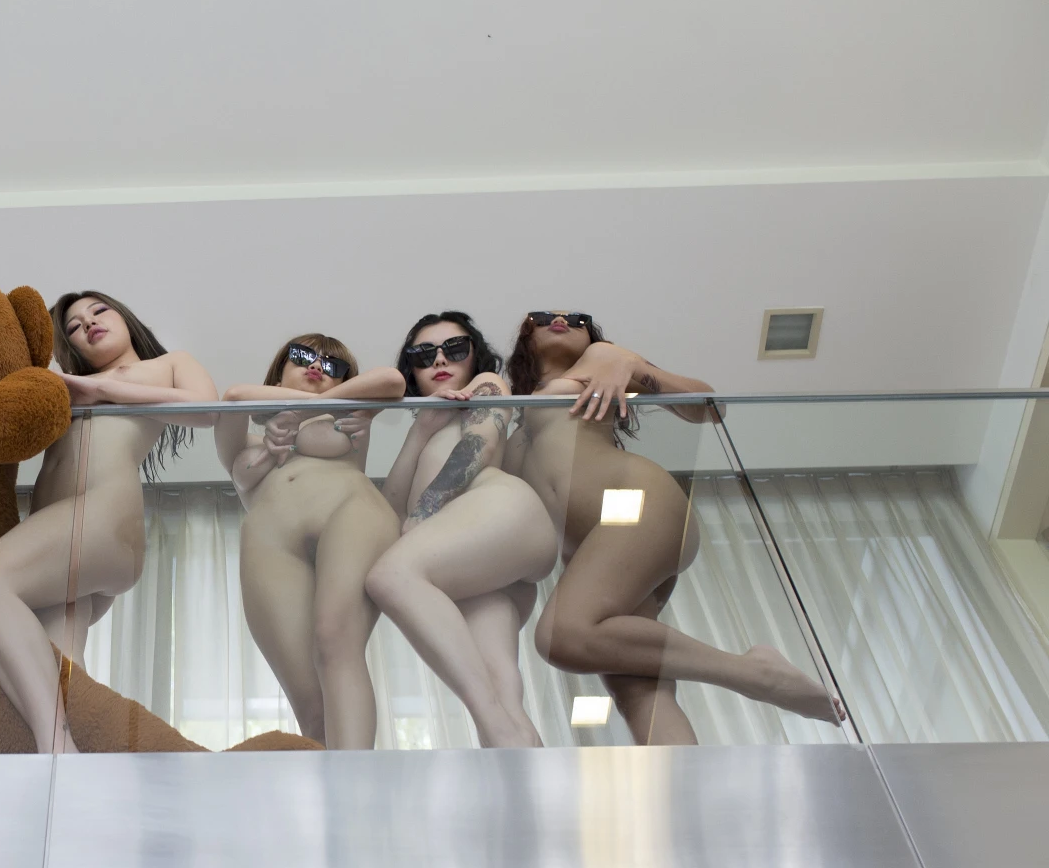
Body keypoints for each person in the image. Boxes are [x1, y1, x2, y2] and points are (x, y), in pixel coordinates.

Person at [505, 310, 844, 743]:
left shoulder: (600, 358)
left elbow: (708, 406)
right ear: (525, 335)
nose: (560, 320)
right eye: (542, 317)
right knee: (638, 692)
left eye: (577, 319)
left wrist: (633, 367)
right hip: (600, 548)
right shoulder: (512, 414)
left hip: (634, 503)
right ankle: (682, 783)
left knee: (562, 636)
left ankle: (753, 673)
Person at [0, 290, 218, 753]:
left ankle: (58, 749)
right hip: (56, 531)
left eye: (98, 311)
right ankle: (66, 767)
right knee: (55, 676)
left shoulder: (170, 364)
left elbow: (207, 410)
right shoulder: (65, 386)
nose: (87, 323)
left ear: (125, 317)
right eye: (73, 327)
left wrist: (100, 390)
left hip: (103, 515)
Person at [366, 312, 556, 747]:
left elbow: (479, 444)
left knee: (390, 576)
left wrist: (423, 516)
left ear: (475, 356)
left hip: (499, 509)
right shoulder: (430, 427)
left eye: (454, 348)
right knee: (503, 693)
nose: (439, 360)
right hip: (478, 558)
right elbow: (391, 510)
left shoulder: (486, 384)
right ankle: (524, 773)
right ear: (411, 369)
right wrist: (420, 431)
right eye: (423, 354)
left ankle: (495, 726)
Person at [216, 335, 406, 750]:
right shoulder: (247, 444)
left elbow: (392, 380)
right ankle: (332, 784)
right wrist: (291, 412)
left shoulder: (350, 416)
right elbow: (234, 397)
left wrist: (304, 410)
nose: (317, 366)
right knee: (311, 706)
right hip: (270, 540)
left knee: (335, 642)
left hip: (350, 511)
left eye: (333, 366)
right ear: (277, 373)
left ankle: (356, 775)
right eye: (302, 357)